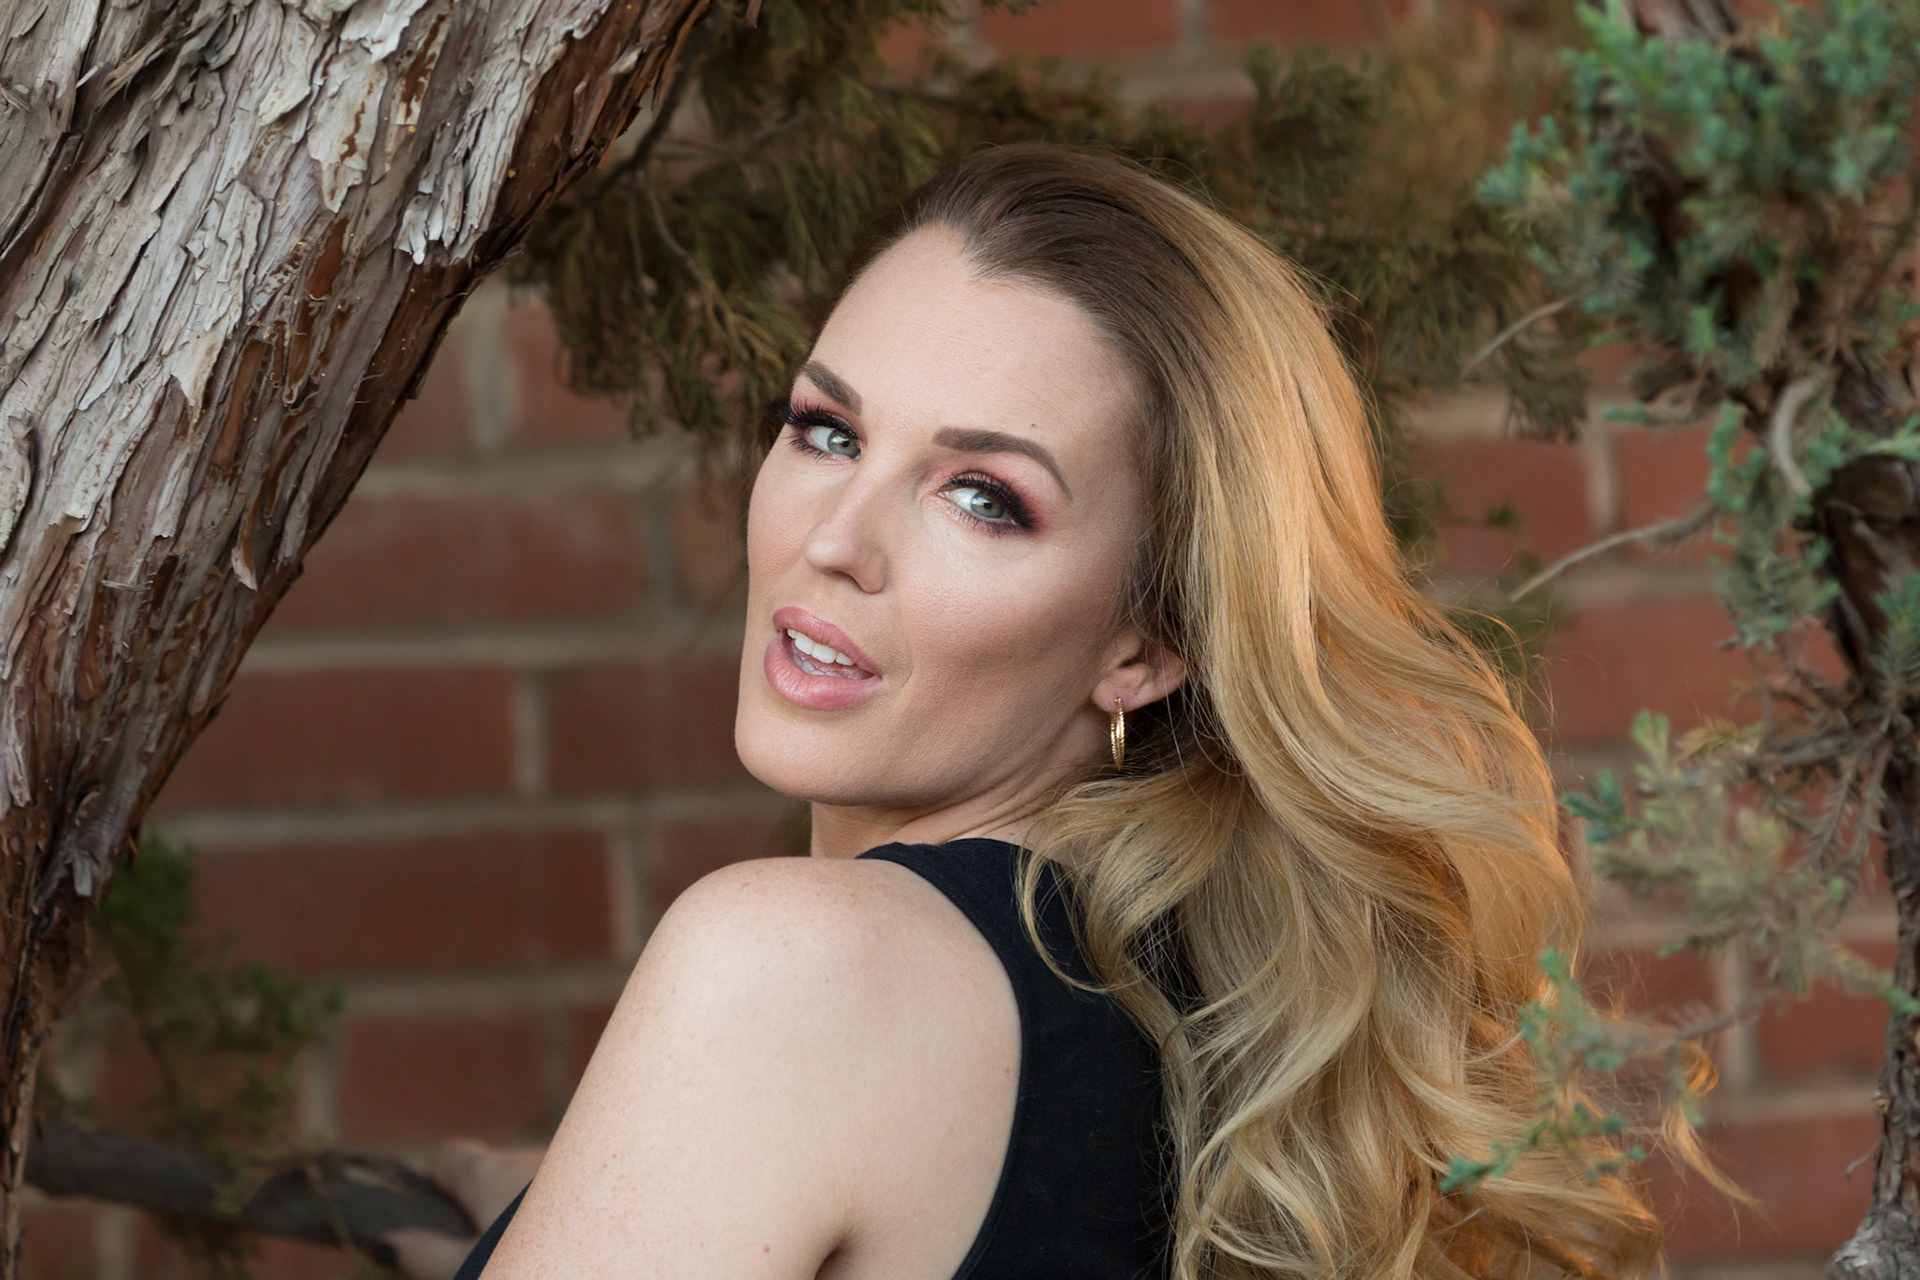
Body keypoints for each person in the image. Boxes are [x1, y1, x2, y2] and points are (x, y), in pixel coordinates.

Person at [384, 142, 1666, 1280]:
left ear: (1148, 643)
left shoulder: (791, 968)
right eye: (827, 429)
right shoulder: (1206, 1035)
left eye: (984, 496)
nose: (835, 540)